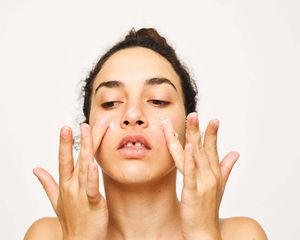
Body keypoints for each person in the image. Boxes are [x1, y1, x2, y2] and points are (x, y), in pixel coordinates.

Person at [24, 28, 268, 240]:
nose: (132, 114)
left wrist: (204, 235)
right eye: (110, 103)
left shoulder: (241, 235)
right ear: (87, 129)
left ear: (187, 127)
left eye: (158, 100)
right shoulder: (47, 236)